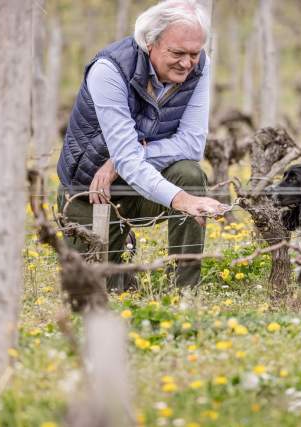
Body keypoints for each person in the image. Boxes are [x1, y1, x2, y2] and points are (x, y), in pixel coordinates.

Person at [56, 0, 226, 291]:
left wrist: (128, 158)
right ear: (150, 42)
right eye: (177, 53)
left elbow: (192, 145)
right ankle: (121, 254)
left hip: (140, 181)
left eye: (194, 54)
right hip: (90, 192)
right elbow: (129, 161)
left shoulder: (200, 67)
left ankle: (185, 295)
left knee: (189, 173)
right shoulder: (109, 71)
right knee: (98, 292)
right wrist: (184, 201)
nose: (187, 63)